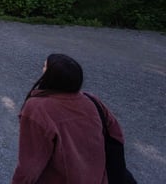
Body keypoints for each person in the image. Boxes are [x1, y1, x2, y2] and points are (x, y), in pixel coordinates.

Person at [11, 53, 128, 184]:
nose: (42, 70)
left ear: (51, 77)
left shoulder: (37, 108)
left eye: (44, 67)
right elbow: (116, 136)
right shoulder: (92, 101)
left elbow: (30, 165)